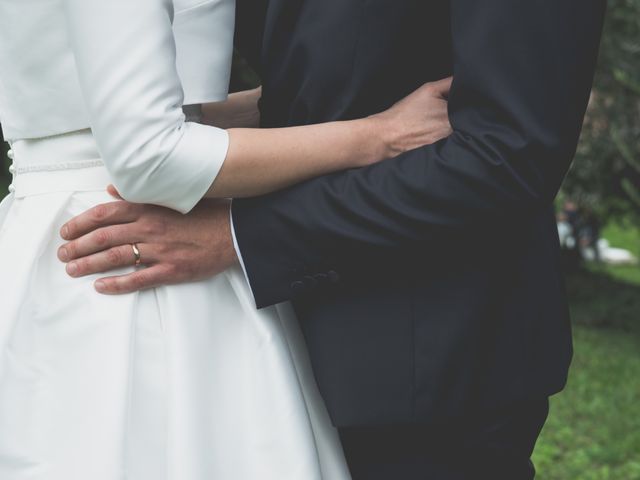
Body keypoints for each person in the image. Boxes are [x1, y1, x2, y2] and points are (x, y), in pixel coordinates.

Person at [60, 0, 608, 478]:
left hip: (429, 361)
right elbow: (320, 88)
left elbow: (507, 154)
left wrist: (239, 236)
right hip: (258, 347)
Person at [0, 0, 454, 478]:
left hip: (78, 224)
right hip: (130, 247)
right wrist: (379, 134)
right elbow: (149, 158)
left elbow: (121, 111)